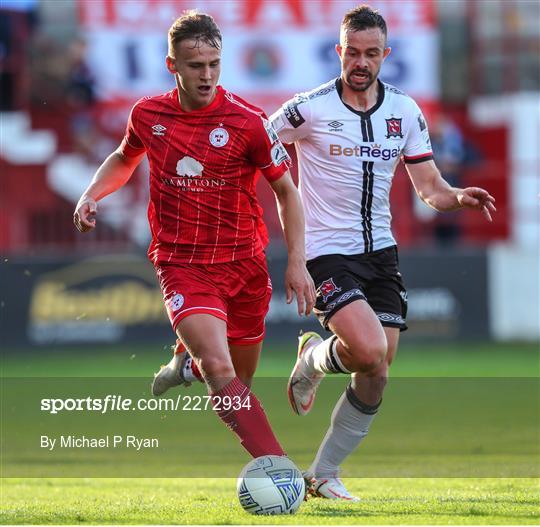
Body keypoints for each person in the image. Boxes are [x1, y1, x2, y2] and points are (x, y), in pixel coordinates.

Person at [269, 4, 496, 501]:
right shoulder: (306, 108)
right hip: (326, 252)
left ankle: (323, 472)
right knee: (369, 351)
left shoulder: (405, 111)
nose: (361, 62)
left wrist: (456, 197)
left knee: (378, 368)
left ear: (385, 55)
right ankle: (313, 359)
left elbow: (429, 186)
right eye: (353, 51)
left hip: (381, 255)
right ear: (339, 50)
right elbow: (256, 145)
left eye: (372, 53)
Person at [73, 11, 315, 460]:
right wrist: (92, 193)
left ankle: (186, 363)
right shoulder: (147, 115)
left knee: (235, 383)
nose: (206, 75)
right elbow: (125, 158)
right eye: (194, 65)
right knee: (219, 367)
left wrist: (297, 261)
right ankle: (278, 469)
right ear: (173, 65)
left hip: (244, 265)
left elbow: (287, 190)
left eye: (214, 64)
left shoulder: (248, 122)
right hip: (182, 264)